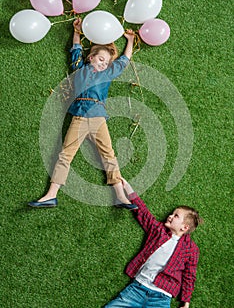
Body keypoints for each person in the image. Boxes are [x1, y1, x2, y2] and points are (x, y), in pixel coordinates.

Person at [28, 18, 138, 210]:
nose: (104, 64)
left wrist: (129, 41)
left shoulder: (108, 73)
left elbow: (123, 62)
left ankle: (121, 196)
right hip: (79, 116)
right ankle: (51, 195)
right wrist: (77, 32)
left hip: (97, 117)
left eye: (106, 62)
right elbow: (76, 50)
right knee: (65, 155)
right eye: (101, 59)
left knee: (109, 155)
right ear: (91, 58)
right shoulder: (79, 69)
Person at [105, 179, 203, 308]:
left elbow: (189, 275)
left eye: (176, 216)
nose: (170, 216)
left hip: (161, 297)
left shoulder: (191, 249)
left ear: (184, 227)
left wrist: (186, 302)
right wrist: (128, 188)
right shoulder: (158, 230)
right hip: (137, 288)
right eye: (172, 213)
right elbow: (143, 213)